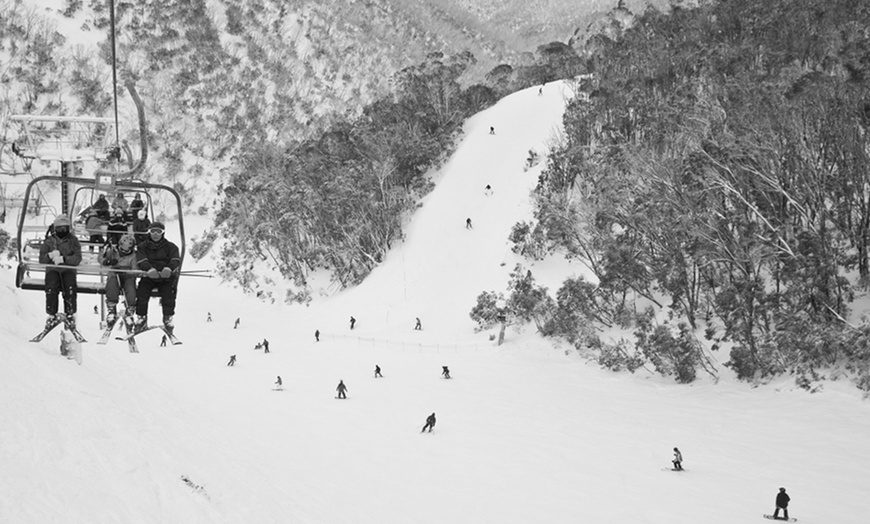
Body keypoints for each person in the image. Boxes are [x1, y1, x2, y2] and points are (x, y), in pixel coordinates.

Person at [134, 222, 181, 332]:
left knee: (168, 294)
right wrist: (149, 269)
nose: (155, 234)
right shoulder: (143, 246)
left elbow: (175, 259)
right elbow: (141, 259)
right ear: (149, 232)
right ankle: (141, 317)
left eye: (158, 231)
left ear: (163, 233)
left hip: (165, 277)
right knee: (142, 293)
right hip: (149, 276)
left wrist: (169, 268)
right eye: (153, 231)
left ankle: (168, 317)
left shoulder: (170, 247)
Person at [39, 214, 82, 329]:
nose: (62, 231)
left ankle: (70, 313)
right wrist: (50, 255)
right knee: (51, 286)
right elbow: (41, 259)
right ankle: (51, 314)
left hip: (68, 269)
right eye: (60, 229)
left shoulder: (73, 240)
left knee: (70, 287)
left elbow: (77, 258)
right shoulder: (49, 241)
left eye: (65, 228)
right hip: (53, 269)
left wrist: (64, 259)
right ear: (55, 228)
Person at [99, 234, 138, 324]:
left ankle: (130, 308)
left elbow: (136, 270)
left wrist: (127, 271)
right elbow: (101, 257)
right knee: (111, 284)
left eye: (127, 249)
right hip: (114, 274)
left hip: (128, 276)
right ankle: (111, 308)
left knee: (130, 288)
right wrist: (107, 261)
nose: (124, 251)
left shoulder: (133, 256)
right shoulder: (113, 252)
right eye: (122, 248)